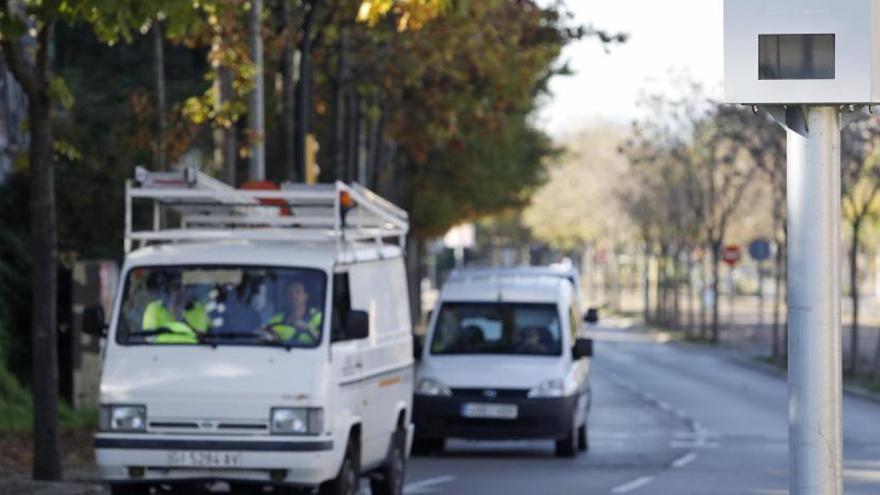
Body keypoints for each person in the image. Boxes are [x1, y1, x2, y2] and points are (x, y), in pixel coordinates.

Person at [142, 272, 209, 344]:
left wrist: (181, 319)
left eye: (184, 288)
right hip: (161, 352)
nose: (179, 292)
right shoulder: (154, 308)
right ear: (168, 288)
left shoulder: (199, 310)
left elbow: (201, 339)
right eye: (176, 287)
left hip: (192, 353)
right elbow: (150, 339)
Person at [268, 278, 323, 345]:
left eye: (298, 292)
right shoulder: (276, 319)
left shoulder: (319, 317)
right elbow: (267, 339)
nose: (293, 296)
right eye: (289, 293)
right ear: (284, 297)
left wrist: (309, 330)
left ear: (306, 296)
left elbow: (327, 342)